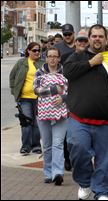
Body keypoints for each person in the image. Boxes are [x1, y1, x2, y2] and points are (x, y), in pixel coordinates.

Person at [64, 24, 108, 200]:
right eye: (94, 36)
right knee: (78, 150)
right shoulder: (78, 56)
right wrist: (91, 63)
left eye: (101, 36)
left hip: (107, 122)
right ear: (89, 38)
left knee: (104, 160)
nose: (97, 39)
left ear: (106, 39)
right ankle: (85, 183)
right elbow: (68, 72)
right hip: (80, 119)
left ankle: (102, 192)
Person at [33, 47, 68, 185]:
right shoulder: (39, 73)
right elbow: (36, 91)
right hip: (43, 113)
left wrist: (63, 98)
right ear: (46, 58)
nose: (52, 59)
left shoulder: (65, 72)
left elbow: (71, 91)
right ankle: (48, 173)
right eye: (50, 56)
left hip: (62, 113)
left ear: (59, 58)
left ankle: (57, 173)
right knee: (47, 145)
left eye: (55, 56)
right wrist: (55, 89)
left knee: (58, 144)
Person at [9, 42, 43, 155]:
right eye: (34, 50)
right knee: (26, 123)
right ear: (28, 51)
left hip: (39, 98)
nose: (37, 52)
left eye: (38, 50)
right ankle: (25, 146)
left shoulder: (42, 64)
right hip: (24, 98)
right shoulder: (21, 63)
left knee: (37, 123)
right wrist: (14, 91)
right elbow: (12, 77)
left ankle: (36, 145)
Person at [54, 23, 76, 171]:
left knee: (75, 129)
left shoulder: (80, 46)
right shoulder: (58, 49)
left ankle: (74, 158)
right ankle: (67, 159)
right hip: (61, 91)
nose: (67, 36)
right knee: (63, 129)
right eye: (65, 34)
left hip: (77, 90)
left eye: (69, 34)